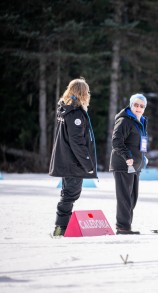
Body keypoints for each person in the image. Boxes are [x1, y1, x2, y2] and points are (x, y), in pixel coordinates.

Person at [49, 77, 97, 237]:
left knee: (68, 194)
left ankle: (61, 227)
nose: (89, 94)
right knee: (70, 195)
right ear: (82, 93)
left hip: (67, 161)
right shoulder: (75, 114)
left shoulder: (66, 110)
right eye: (87, 91)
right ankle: (60, 229)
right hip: (73, 163)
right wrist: (88, 164)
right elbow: (77, 143)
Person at [109, 93, 149, 235]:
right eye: (136, 105)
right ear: (131, 105)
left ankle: (126, 226)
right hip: (123, 164)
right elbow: (116, 142)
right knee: (124, 197)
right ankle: (123, 227)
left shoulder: (141, 121)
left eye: (141, 106)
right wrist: (127, 156)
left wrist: (143, 158)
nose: (138, 108)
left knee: (132, 197)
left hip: (135, 166)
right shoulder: (125, 120)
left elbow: (141, 143)